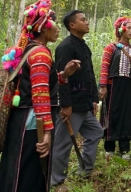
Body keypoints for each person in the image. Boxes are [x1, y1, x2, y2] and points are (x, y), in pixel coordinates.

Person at [0, 0, 80, 192]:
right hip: (33, 123)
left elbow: (35, 83)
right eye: (55, 24)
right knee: (29, 172)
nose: (58, 29)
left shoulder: (28, 50)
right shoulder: (41, 53)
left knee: (15, 167)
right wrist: (47, 133)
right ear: (43, 27)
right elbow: (40, 94)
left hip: (21, 119)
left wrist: (63, 75)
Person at [50, 10, 104, 188]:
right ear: (72, 25)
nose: (87, 22)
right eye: (83, 20)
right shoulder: (65, 47)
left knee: (96, 132)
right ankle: (56, 181)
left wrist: (93, 99)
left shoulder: (83, 46)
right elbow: (61, 77)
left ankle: (85, 170)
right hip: (71, 105)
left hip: (84, 104)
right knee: (63, 144)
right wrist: (65, 105)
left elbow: (89, 73)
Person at [98, 17, 131, 160]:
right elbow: (104, 68)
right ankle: (109, 147)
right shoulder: (111, 48)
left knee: (126, 115)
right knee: (111, 115)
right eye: (128, 27)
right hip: (113, 86)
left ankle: (124, 148)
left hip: (128, 86)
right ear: (121, 29)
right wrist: (103, 86)